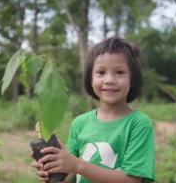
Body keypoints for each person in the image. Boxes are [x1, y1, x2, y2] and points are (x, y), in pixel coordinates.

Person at [31, 37, 155, 183]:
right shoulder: (80, 123)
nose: (109, 80)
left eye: (120, 72)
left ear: (132, 79)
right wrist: (55, 169)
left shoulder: (139, 124)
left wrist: (77, 165)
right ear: (90, 79)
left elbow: (132, 180)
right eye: (101, 73)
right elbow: (71, 174)